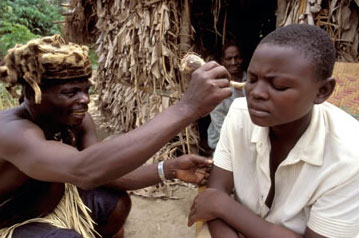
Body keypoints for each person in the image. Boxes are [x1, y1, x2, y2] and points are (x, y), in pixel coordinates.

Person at [0, 35, 232, 238]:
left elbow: (104, 173)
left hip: (48, 207)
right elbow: (86, 171)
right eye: (71, 92)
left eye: (86, 90)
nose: (86, 100)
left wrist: (170, 170)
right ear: (32, 93)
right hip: (10, 225)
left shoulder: (74, 121)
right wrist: (187, 108)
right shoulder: (13, 132)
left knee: (115, 204)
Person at [188, 24, 359, 238]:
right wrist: (219, 206)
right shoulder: (239, 115)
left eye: (278, 86)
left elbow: (216, 202)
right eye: (251, 79)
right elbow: (213, 196)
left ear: (322, 91)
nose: (256, 93)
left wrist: (226, 207)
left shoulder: (349, 156)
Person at [207, 42, 246, 151]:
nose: (234, 62)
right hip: (222, 143)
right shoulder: (217, 87)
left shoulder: (252, 82)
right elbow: (219, 123)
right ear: (222, 61)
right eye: (229, 59)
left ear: (242, 59)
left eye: (237, 58)